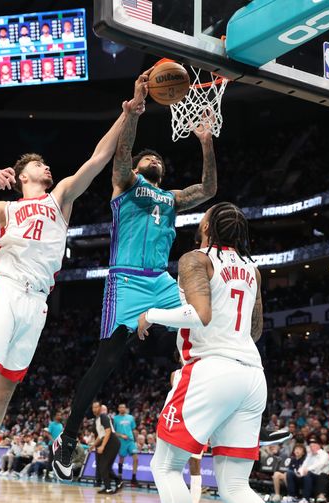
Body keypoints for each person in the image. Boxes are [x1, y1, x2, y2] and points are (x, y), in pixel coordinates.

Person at [0, 73, 150, 503]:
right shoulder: (8, 206)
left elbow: (97, 159)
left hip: (37, 301)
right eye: (38, 165)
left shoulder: (59, 197)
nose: (47, 167)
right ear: (22, 175)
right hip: (5, 289)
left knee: (6, 387)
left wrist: (126, 112)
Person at [52, 68, 218, 481]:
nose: (154, 160)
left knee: (208, 327)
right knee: (107, 360)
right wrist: (135, 112)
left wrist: (206, 143)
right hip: (125, 282)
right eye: (149, 158)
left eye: (159, 159)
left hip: (161, 281)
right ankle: (69, 438)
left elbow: (209, 189)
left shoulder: (171, 198)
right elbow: (122, 157)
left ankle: (224, 412)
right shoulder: (126, 184)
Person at [137, 203, 282, 503]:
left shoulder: (196, 259)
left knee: (165, 466)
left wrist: (152, 315)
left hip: (212, 369)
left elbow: (199, 315)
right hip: (251, 374)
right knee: (234, 485)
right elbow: (255, 328)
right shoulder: (252, 269)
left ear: (207, 226)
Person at [288, 437, 329, 503]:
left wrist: (308, 469)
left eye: (313, 446)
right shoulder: (309, 455)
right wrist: (299, 473)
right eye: (310, 446)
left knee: (308, 474)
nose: (312, 448)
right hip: (308, 475)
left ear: (318, 446)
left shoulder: (324, 454)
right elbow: (304, 465)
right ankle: (292, 496)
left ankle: (306, 499)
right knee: (290, 473)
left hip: (320, 477)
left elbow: (320, 465)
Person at [93, 401, 123, 494]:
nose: (94, 409)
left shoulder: (103, 417)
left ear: (100, 408)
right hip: (108, 442)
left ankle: (111, 486)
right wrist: (93, 445)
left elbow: (108, 431)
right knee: (105, 467)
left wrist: (102, 446)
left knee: (103, 466)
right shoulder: (97, 420)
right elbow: (100, 435)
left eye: (96, 407)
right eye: (93, 408)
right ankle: (111, 486)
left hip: (112, 442)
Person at [113, 403, 139, 486]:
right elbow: (114, 432)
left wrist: (136, 440)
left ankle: (134, 478)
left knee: (136, 458)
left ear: (126, 408)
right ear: (118, 409)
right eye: (120, 407)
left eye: (123, 407)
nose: (122, 408)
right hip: (121, 441)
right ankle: (120, 477)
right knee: (121, 459)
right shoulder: (115, 418)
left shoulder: (131, 417)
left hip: (130, 441)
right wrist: (121, 435)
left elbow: (133, 429)